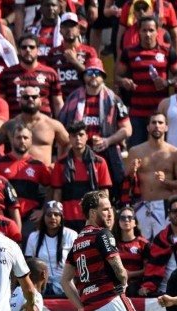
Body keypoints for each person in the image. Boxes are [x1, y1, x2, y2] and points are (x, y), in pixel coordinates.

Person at [57, 57, 131, 205]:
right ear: (83, 76)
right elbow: (61, 128)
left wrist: (107, 141)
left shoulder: (114, 99)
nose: (93, 76)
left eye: (97, 73)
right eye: (89, 72)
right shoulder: (72, 99)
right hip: (77, 155)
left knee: (107, 196)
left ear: (103, 76)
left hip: (106, 155)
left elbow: (127, 129)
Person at [116, 15, 177, 146]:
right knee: (136, 153)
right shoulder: (129, 52)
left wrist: (167, 83)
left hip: (160, 113)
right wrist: (124, 82)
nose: (148, 34)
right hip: (137, 113)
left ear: (158, 31)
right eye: (144, 30)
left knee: (161, 152)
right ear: (138, 31)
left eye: (151, 30)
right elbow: (117, 77)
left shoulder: (167, 51)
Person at [122, 113, 177, 239]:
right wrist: (132, 171)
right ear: (148, 127)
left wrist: (166, 181)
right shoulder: (135, 151)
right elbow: (126, 181)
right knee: (143, 243)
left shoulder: (175, 153)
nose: (157, 126)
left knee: (164, 243)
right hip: (141, 205)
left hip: (165, 204)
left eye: (160, 123)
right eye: (153, 122)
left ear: (166, 127)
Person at [0, 124, 50, 240]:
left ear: (31, 140)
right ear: (12, 140)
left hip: (30, 218)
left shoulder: (38, 165)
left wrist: (43, 210)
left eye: (25, 138)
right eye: (18, 137)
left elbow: (51, 187)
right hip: (5, 216)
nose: (22, 141)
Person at [51, 121, 113, 231]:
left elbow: (104, 193)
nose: (78, 139)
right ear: (69, 138)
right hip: (68, 219)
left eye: (81, 135)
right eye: (74, 136)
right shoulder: (60, 164)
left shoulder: (99, 162)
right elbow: (57, 193)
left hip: (92, 219)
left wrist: (105, 214)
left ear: (87, 136)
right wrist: (58, 215)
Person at [0, 85, 70, 167]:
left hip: (44, 175)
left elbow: (69, 143)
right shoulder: (10, 125)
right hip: (17, 176)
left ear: (40, 101)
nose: (30, 99)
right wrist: (0, 164)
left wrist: (58, 165)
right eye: (26, 97)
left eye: (34, 97)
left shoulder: (51, 124)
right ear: (20, 101)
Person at [139, 194, 177, 296]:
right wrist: (148, 286)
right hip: (165, 291)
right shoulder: (160, 239)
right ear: (169, 214)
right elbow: (153, 265)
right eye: (174, 211)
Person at [0, 33, 63, 118]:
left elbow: (58, 103)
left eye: (31, 47)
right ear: (19, 50)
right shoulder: (7, 74)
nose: (28, 50)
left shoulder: (50, 73)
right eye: (24, 47)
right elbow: (1, 103)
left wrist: (60, 125)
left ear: (38, 50)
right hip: (15, 126)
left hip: (43, 125)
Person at [25, 201, 78, 297]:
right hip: (40, 285)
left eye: (56, 214)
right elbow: (29, 264)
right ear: (43, 217)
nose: (52, 217)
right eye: (49, 214)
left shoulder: (72, 235)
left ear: (61, 217)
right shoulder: (33, 236)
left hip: (66, 284)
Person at [45, 12, 99, 98]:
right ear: (60, 30)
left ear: (78, 30)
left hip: (83, 98)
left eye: (72, 26)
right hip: (60, 100)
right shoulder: (53, 53)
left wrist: (75, 61)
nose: (69, 29)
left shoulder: (89, 51)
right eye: (66, 26)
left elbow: (96, 77)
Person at [113, 205, 150, 297]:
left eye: (130, 217)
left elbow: (148, 269)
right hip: (115, 287)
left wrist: (129, 274)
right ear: (118, 222)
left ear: (135, 223)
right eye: (122, 218)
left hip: (136, 287)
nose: (126, 220)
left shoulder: (143, 243)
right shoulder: (112, 244)